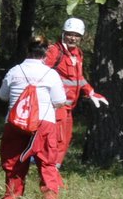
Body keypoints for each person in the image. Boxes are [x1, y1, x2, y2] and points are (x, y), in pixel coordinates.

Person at [0, 34, 69, 199]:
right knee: (47, 163)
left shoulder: (14, 71)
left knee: (13, 161)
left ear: (27, 50)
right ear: (46, 52)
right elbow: (59, 101)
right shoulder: (51, 74)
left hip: (15, 122)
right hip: (43, 123)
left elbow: (3, 96)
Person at [43, 17, 108, 176]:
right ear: (63, 33)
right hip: (56, 105)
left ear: (81, 37)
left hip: (69, 107)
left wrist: (91, 92)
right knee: (57, 141)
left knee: (65, 140)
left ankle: (53, 172)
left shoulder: (77, 54)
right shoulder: (54, 51)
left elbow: (78, 78)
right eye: (69, 34)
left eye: (76, 35)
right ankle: (49, 175)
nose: (73, 38)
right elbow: (41, 73)